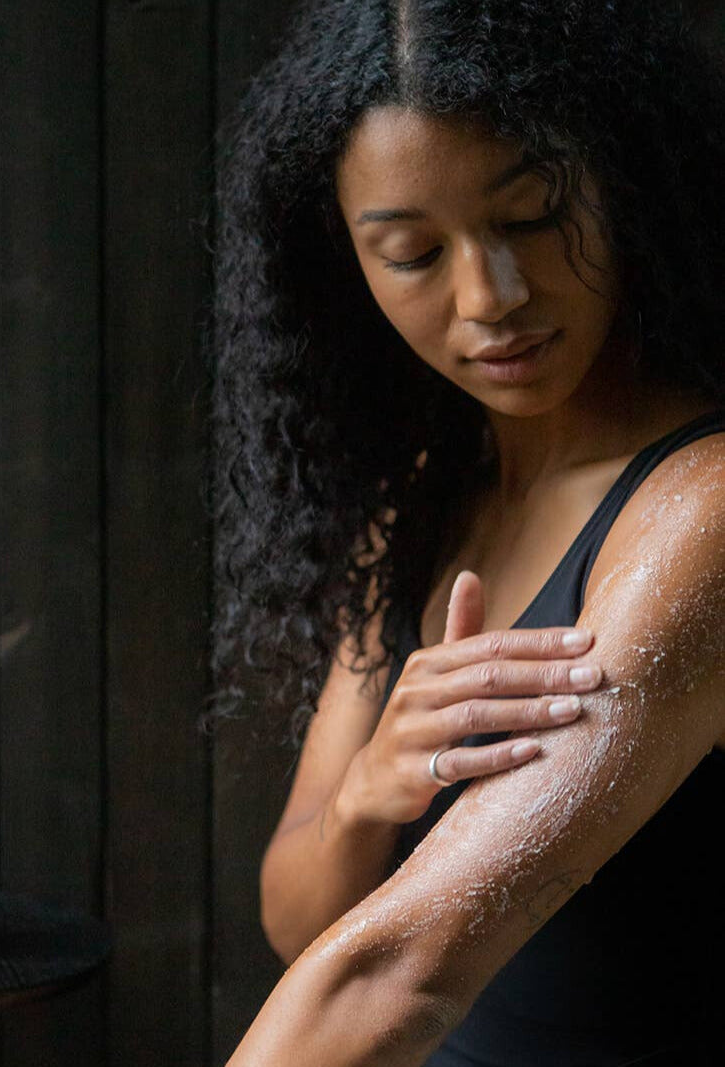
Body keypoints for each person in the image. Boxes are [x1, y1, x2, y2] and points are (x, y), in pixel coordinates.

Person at [208, 1, 725, 1064]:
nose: (488, 295)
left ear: (621, 185)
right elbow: (299, 922)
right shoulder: (420, 500)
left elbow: (394, 968)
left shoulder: (702, 510)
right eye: (410, 251)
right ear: (344, 264)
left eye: (531, 217)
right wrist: (367, 792)